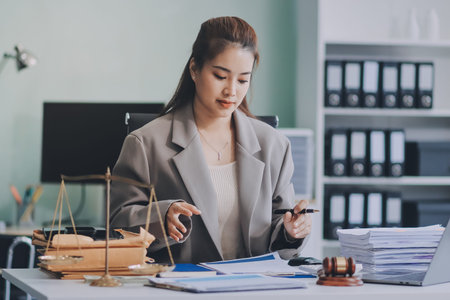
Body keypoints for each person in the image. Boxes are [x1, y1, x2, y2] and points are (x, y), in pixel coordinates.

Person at [110, 16, 312, 264]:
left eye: (242, 80)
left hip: (251, 287)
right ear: (194, 69)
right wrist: (163, 217)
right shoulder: (145, 143)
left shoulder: (274, 146)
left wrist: (291, 231)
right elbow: (117, 224)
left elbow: (279, 226)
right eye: (220, 76)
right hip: (177, 288)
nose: (231, 91)